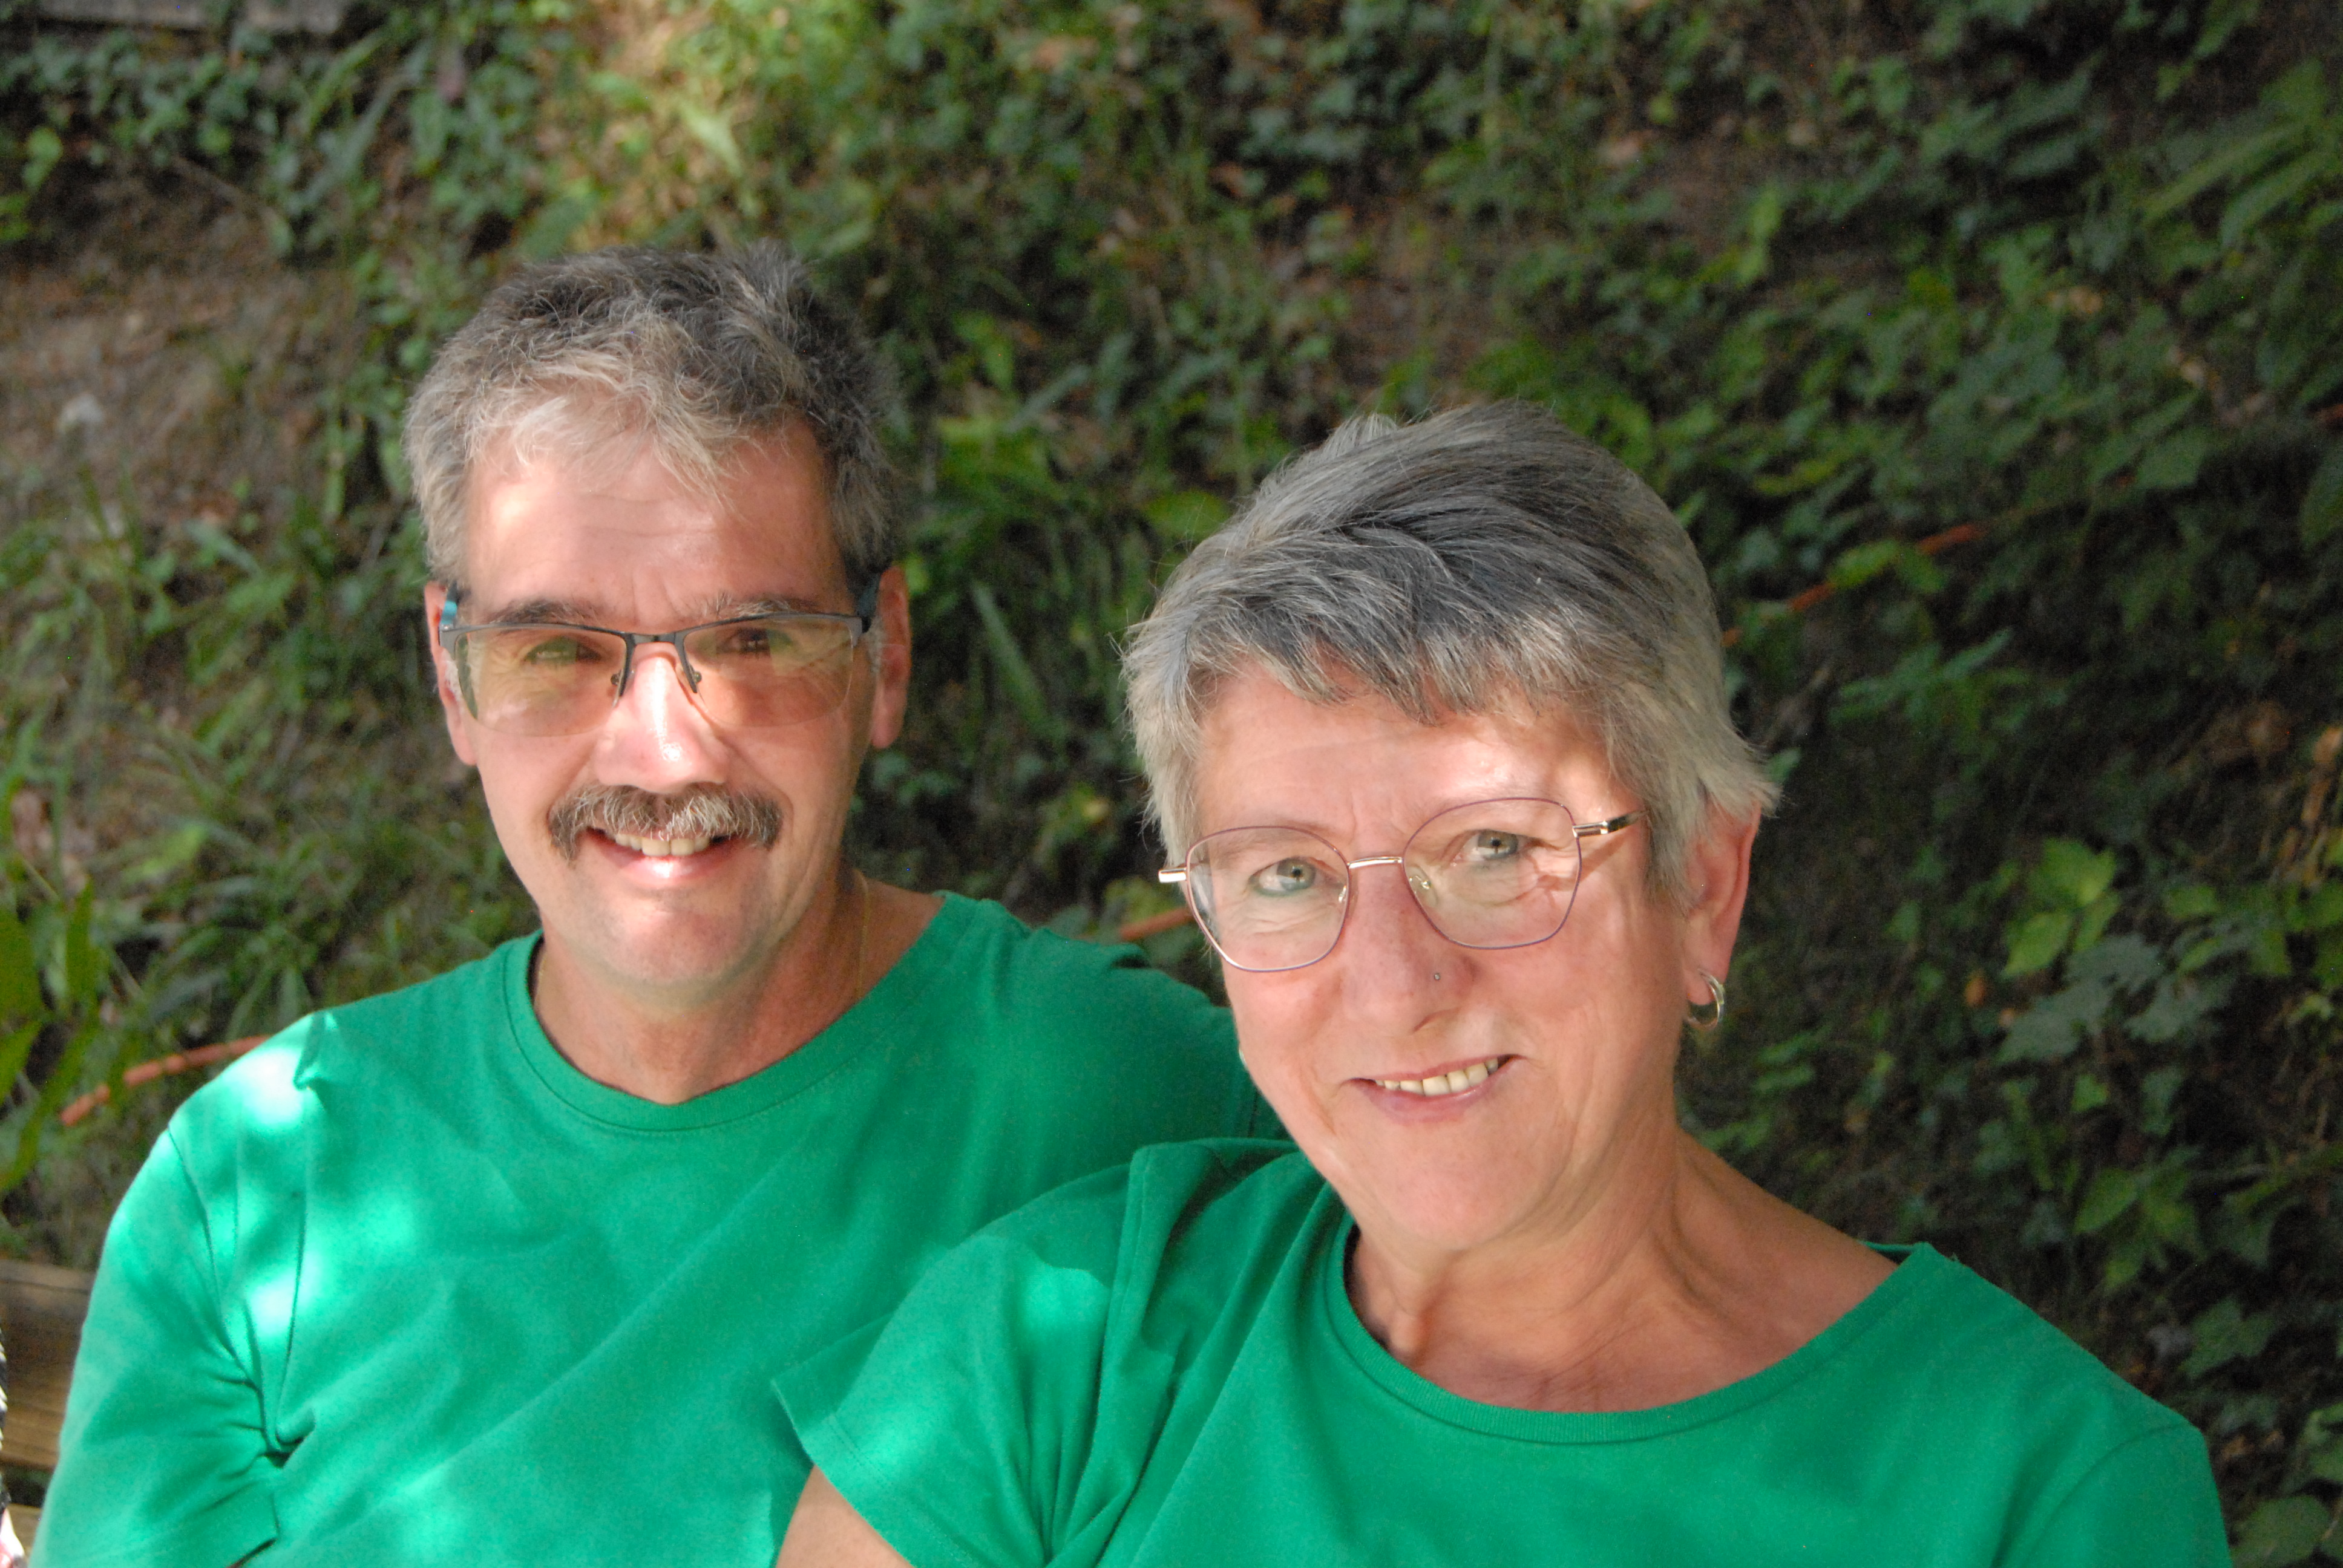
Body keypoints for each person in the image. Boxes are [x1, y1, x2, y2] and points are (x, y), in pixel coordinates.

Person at [773, 403, 2230, 1567]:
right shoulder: (1060, 1348)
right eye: (1287, 874)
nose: (1393, 987)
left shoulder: (2034, 1494)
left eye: (1491, 851)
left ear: (1701, 884)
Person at [36, 246, 1271, 1568]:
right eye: (556, 652)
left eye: (753, 643)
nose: (663, 755)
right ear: (453, 679)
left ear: (885, 658)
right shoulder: (258, 1186)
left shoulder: (1150, 1110)